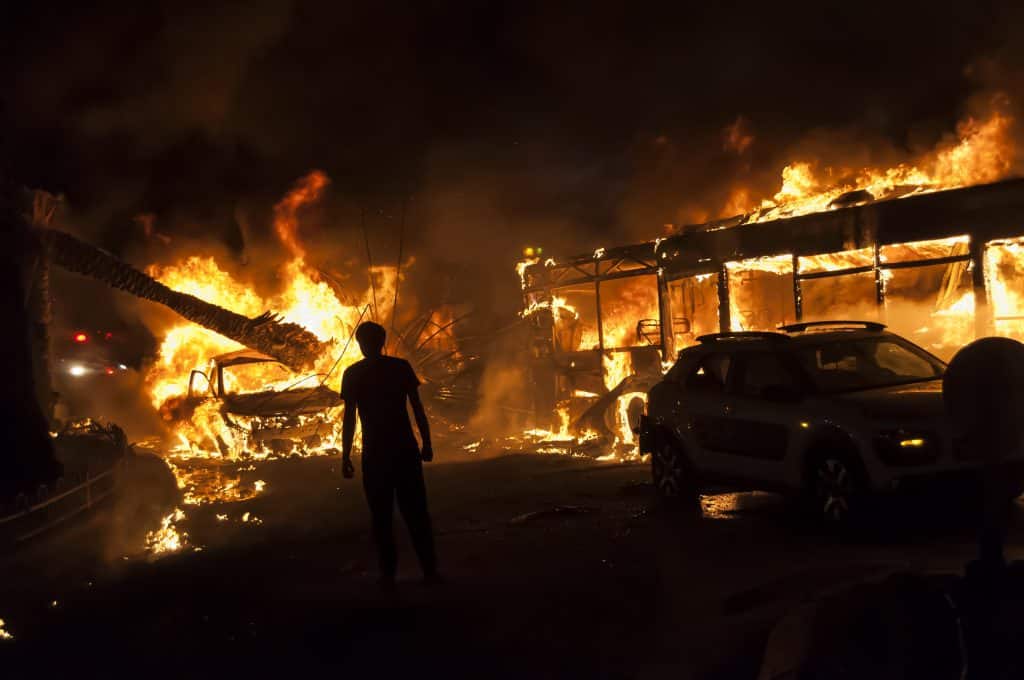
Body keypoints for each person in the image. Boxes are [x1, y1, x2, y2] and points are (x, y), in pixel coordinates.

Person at [340, 321, 438, 589]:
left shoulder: (353, 374)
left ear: (361, 344)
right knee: (416, 512)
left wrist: (346, 455)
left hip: (376, 454)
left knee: (381, 516)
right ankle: (429, 571)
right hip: (404, 449)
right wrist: (426, 442)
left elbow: (349, 419)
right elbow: (417, 409)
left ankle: (389, 575)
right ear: (382, 342)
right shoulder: (400, 368)